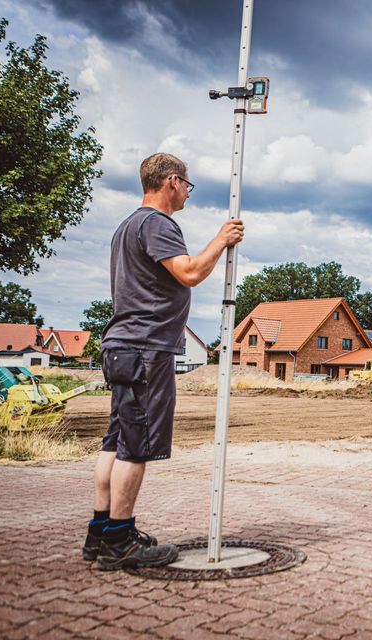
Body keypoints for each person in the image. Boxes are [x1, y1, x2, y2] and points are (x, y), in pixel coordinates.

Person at [83, 153, 244, 570]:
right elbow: (188, 272)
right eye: (188, 185)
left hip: (122, 345)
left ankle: (101, 532)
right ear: (172, 181)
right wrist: (221, 240)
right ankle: (120, 542)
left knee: (115, 441)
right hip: (145, 348)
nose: (188, 193)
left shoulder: (125, 227)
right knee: (136, 447)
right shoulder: (157, 224)